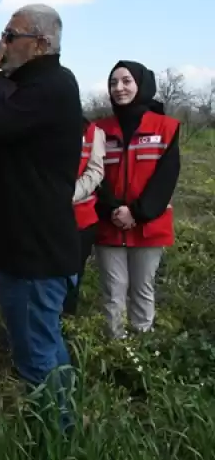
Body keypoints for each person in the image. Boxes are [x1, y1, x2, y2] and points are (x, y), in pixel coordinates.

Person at [0, 4, 81, 433]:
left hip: (34, 253)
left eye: (11, 36)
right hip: (30, 246)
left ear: (41, 43)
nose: (1, 43)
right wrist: (2, 74)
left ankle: (54, 436)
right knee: (46, 345)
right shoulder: (38, 84)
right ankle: (65, 424)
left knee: (35, 356)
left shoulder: (51, 86)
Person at [94, 61, 180, 339]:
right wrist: (113, 210)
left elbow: (166, 177)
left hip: (148, 225)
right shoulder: (99, 129)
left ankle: (142, 349)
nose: (119, 88)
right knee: (112, 291)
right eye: (113, 82)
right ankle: (115, 348)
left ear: (141, 84)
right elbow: (94, 174)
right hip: (109, 224)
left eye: (126, 81)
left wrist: (138, 213)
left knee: (143, 289)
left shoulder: (166, 127)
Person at [63, 117, 105, 316]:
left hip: (81, 219)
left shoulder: (93, 133)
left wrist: (65, 195)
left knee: (72, 274)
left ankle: (66, 320)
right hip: (41, 219)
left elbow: (95, 171)